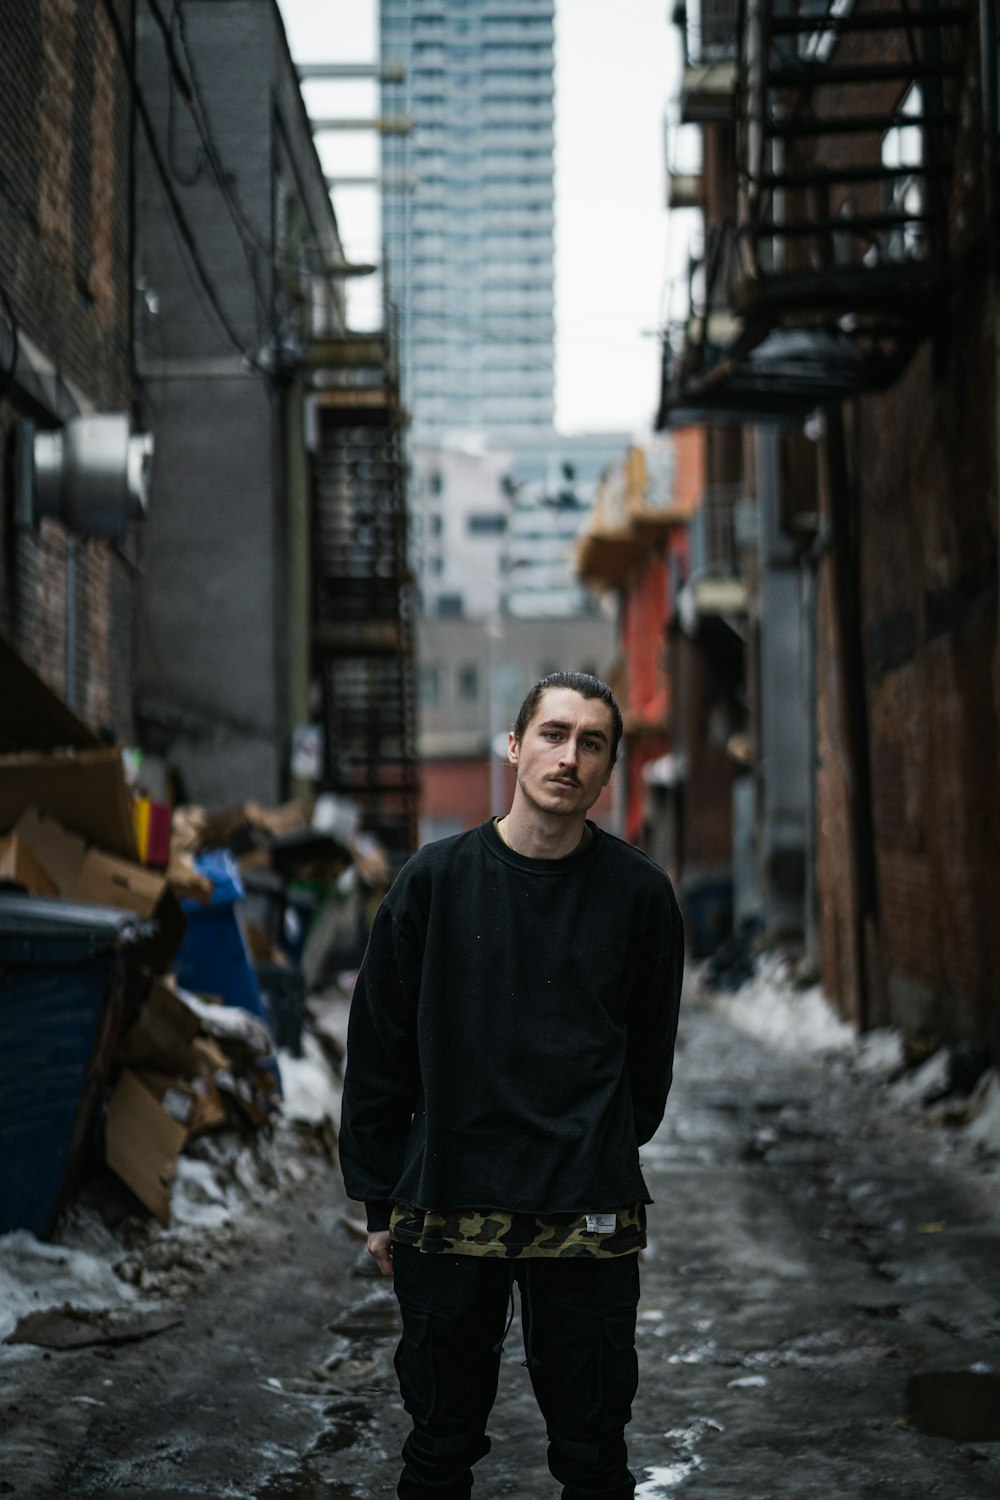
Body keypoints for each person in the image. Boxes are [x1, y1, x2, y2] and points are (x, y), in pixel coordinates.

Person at [339, 671, 684, 1500]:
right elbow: (379, 1053)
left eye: (591, 743)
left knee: (595, 1454)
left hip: (587, 1209)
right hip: (449, 1203)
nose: (569, 757)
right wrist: (380, 1201)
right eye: (554, 734)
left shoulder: (640, 897)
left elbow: (648, 1064)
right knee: (439, 1447)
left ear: (609, 771)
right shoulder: (432, 883)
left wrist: (592, 1139)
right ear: (515, 745)